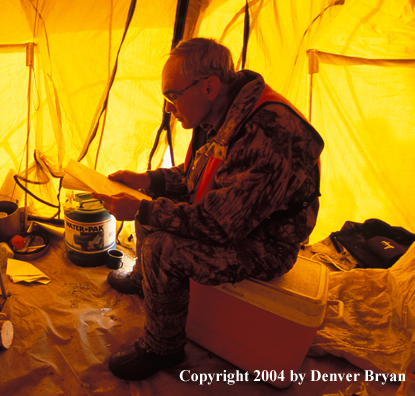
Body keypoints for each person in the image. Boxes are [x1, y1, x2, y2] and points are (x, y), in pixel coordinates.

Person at [91, 37, 324, 381]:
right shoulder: (225, 113)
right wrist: (145, 181)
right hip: (235, 219)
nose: (168, 107)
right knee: (155, 208)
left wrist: (143, 208)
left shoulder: (268, 132)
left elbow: (219, 224)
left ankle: (163, 346)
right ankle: (146, 281)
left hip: (267, 242)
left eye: (172, 95)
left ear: (210, 87)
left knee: (161, 246)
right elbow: (197, 176)